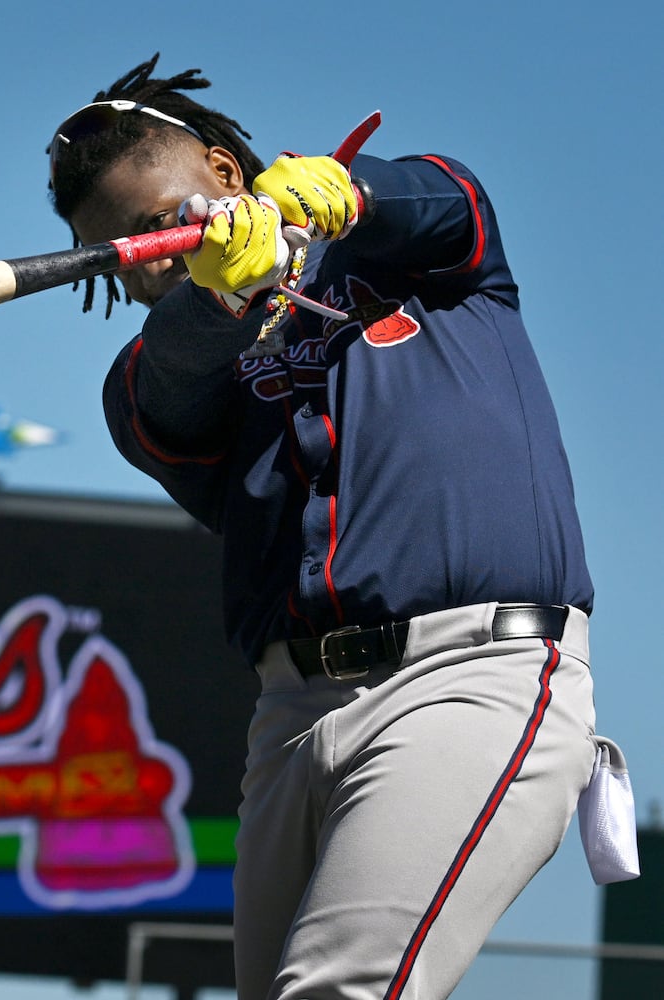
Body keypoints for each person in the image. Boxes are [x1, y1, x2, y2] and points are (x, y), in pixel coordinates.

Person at [45, 54, 632, 999]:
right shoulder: (149, 378)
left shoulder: (422, 259)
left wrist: (340, 196)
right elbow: (174, 382)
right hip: (288, 721)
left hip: (467, 676)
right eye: (125, 255)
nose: (148, 257)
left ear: (225, 175)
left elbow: (448, 197)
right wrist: (220, 289)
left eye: (158, 224)